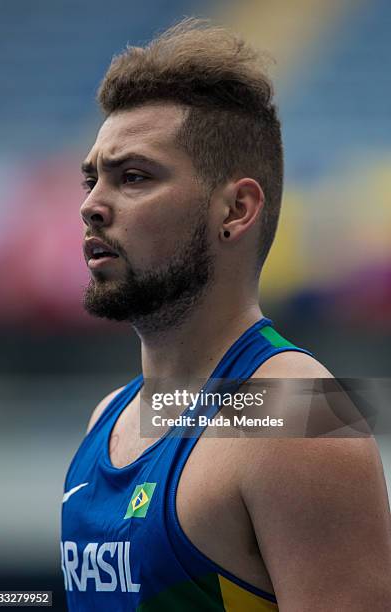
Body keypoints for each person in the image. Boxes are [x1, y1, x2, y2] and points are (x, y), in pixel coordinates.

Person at [61, 18, 391, 611]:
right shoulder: (106, 417)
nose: (91, 206)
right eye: (91, 179)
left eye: (132, 177)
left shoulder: (298, 416)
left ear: (237, 210)